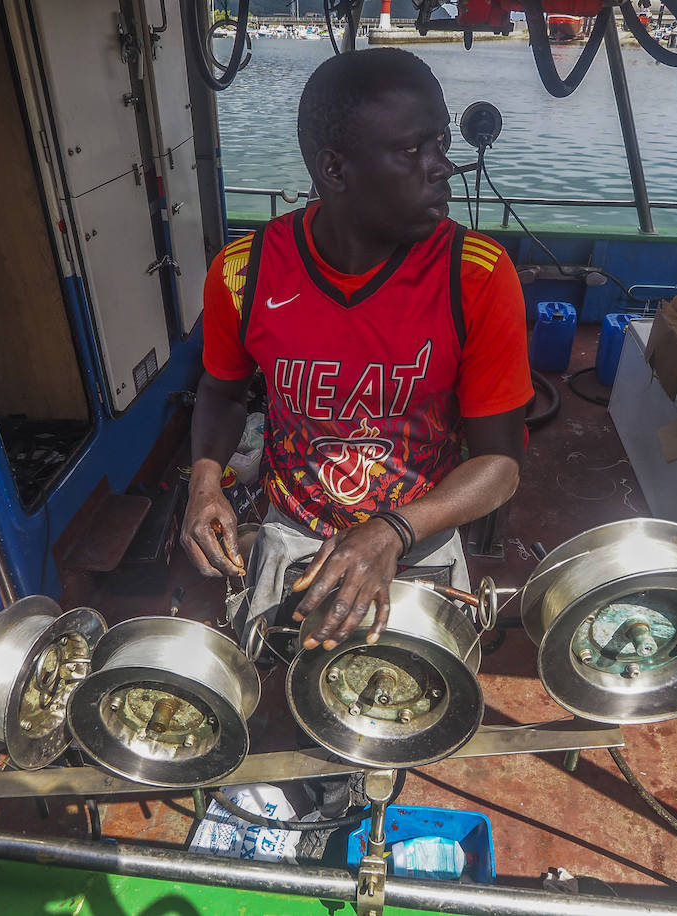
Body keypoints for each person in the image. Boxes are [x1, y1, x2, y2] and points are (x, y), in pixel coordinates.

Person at [180, 48, 532, 651]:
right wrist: (204, 482)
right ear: (335, 169)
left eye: (441, 144)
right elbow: (221, 388)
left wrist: (391, 531)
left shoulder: (474, 275)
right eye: (412, 150)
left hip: (419, 536)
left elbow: (500, 467)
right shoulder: (245, 273)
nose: (442, 167)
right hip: (291, 534)